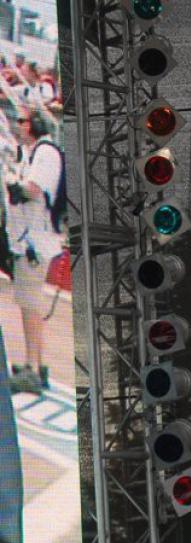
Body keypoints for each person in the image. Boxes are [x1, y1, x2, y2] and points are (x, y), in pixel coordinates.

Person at [4, 105, 65, 394]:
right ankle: (35, 365)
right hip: (26, 241)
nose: (17, 125)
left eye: (22, 121)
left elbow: (32, 190)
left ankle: (33, 369)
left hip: (35, 244)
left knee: (30, 306)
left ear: (35, 124)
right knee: (28, 305)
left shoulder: (46, 153)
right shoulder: (31, 153)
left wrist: (11, 184)